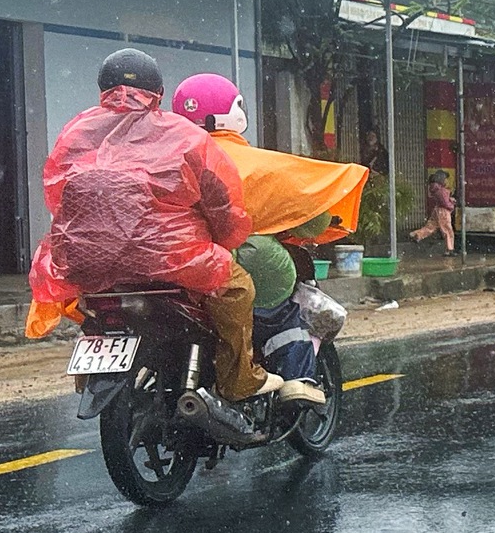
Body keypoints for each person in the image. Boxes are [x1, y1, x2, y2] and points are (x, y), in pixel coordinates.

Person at [25, 50, 277, 402]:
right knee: (237, 290)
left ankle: (90, 370)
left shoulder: (75, 132)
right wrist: (229, 237)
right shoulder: (183, 135)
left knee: (93, 308)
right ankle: (239, 381)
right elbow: (221, 201)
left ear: (102, 88)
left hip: (85, 262)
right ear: (158, 92)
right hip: (173, 261)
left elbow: (57, 195)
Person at [170, 71, 364, 407]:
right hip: (231, 268)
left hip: (168, 268)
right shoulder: (259, 166)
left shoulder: (161, 161)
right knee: (282, 312)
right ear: (236, 112)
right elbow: (307, 213)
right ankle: (297, 380)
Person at [409, 169, 458, 255]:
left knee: (431, 226)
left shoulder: (436, 189)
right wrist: (452, 204)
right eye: (446, 179)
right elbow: (445, 203)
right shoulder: (442, 190)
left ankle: (417, 234)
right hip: (443, 211)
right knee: (447, 230)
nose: (447, 181)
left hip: (437, 210)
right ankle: (449, 249)